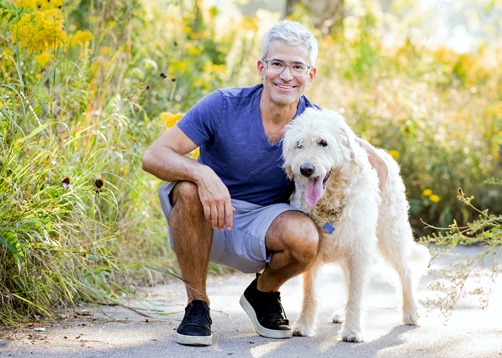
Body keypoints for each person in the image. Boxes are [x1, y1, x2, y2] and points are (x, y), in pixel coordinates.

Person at [142, 20, 387, 346]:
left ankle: (263, 293)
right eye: (277, 64)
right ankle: (197, 305)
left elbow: (371, 160)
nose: (286, 75)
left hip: (266, 227)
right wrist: (204, 174)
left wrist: (373, 203)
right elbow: (154, 155)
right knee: (187, 189)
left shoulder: (316, 124)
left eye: (297, 66)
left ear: (310, 75)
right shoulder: (223, 105)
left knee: (307, 235)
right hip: (208, 219)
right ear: (262, 67)